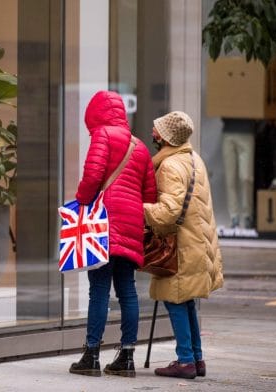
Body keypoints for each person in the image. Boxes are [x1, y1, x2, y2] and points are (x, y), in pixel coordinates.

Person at [69, 91, 157, 377]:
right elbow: (150, 194)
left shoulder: (103, 136)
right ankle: (127, 357)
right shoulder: (141, 146)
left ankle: (91, 354)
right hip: (130, 222)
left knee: (99, 290)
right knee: (128, 290)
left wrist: (81, 201)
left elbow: (93, 176)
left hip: (103, 222)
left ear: (95, 113)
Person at [144, 111, 224, 379]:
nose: (153, 134)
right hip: (197, 242)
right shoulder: (194, 159)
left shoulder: (169, 166)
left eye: (157, 131)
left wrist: (139, 208)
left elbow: (167, 212)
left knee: (175, 299)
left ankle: (186, 360)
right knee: (186, 300)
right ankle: (197, 358)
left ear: (166, 137)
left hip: (181, 247)